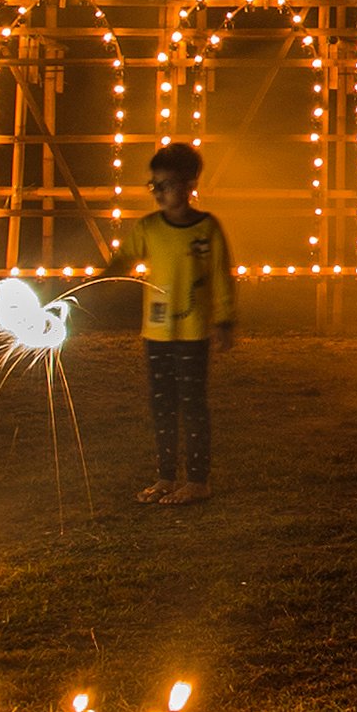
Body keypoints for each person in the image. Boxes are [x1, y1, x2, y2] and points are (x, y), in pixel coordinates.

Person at [127, 140, 237, 505]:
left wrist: (223, 320)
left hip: (192, 334)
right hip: (155, 333)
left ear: (190, 187)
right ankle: (165, 477)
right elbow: (122, 261)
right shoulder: (148, 228)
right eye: (154, 185)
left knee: (192, 403)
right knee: (161, 404)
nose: (158, 192)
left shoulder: (207, 230)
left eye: (166, 185)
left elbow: (221, 275)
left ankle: (198, 480)